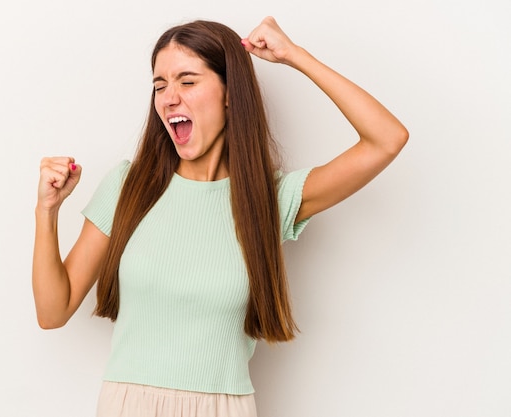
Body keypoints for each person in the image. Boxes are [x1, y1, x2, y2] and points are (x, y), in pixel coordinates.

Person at [32, 16, 408, 417]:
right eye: (160, 85)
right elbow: (54, 311)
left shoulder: (268, 199)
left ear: (230, 93)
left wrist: (295, 56)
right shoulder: (128, 187)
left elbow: (386, 139)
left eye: (187, 81)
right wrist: (47, 212)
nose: (169, 97)